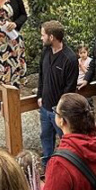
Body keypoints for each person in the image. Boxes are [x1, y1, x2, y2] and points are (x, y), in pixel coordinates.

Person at [35, 20, 78, 166]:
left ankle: (67, 167)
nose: (41, 38)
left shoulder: (70, 58)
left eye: (43, 35)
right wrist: (39, 95)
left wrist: (60, 110)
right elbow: (41, 74)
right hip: (44, 107)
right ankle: (47, 167)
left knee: (66, 140)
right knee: (45, 138)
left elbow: (70, 88)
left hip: (59, 112)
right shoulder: (46, 51)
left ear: (51, 37)